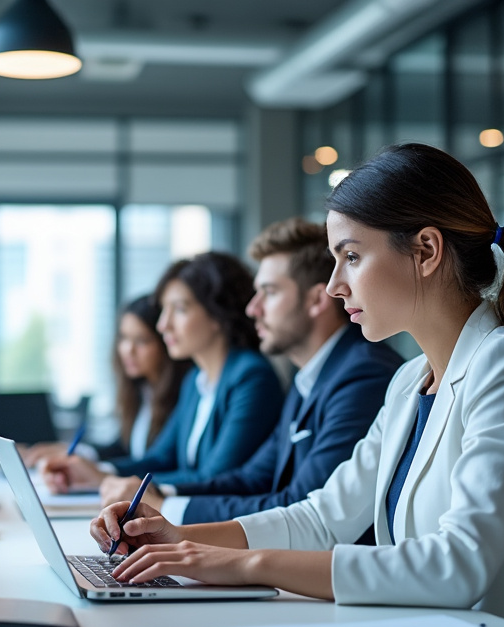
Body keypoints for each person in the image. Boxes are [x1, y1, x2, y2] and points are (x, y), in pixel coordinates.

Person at [89, 143, 504, 627]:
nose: (333, 286)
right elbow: (323, 518)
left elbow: (456, 566)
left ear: (427, 251)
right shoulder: (407, 383)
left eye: (351, 256)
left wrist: (245, 565)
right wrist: (178, 538)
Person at [100, 217, 404, 528]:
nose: (252, 308)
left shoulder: (362, 375)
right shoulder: (309, 378)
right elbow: (254, 476)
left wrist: (168, 507)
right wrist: (159, 493)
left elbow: (302, 505)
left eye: (269, 292)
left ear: (315, 300)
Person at [43, 251, 284, 489]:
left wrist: (111, 482)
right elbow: (160, 458)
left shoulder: (251, 377)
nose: (163, 325)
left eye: (179, 309)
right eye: (164, 310)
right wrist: (100, 473)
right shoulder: (195, 381)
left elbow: (215, 476)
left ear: (217, 315)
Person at [22, 295, 191, 466]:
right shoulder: (143, 392)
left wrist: (100, 472)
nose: (128, 350)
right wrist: (74, 453)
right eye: (124, 338)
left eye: (142, 341)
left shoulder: (184, 396)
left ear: (165, 342)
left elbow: (156, 462)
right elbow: (123, 448)